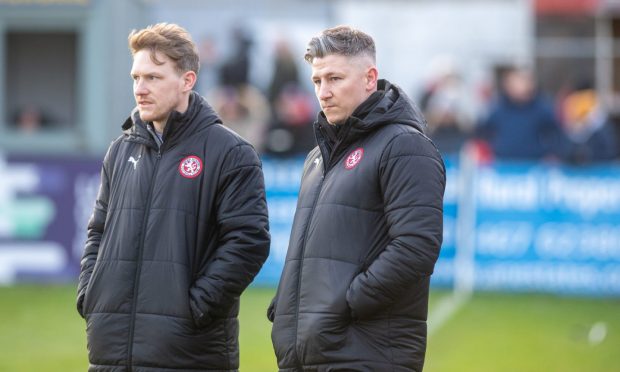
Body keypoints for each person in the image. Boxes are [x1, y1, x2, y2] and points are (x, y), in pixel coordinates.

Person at [76, 23, 270, 371]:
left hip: (188, 354)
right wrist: (90, 295)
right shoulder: (120, 150)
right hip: (110, 353)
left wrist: (193, 307)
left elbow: (248, 241)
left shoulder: (231, 152)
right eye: (136, 77)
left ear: (187, 81)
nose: (140, 88)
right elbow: (97, 232)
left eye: (153, 77)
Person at [268, 26, 446, 371]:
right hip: (307, 353)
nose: (324, 92)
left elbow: (416, 245)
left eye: (335, 78)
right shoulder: (317, 157)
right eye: (317, 81)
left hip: (366, 353)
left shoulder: (405, 146)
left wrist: (347, 303)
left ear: (370, 78)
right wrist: (286, 308)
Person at [476, 66, 566, 161]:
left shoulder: (542, 109)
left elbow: (558, 134)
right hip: (503, 165)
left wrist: (554, 154)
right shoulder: (498, 109)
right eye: (513, 82)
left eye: (522, 81)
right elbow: (482, 133)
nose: (519, 86)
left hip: (533, 166)